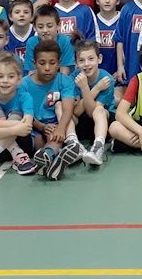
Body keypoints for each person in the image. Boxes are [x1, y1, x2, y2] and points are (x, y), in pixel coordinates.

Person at [25, 40, 83, 180]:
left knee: (55, 137)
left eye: (52, 63)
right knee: (38, 141)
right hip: (34, 125)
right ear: (34, 63)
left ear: (58, 63)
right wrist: (41, 126)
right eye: (42, 63)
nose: (47, 68)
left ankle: (49, 156)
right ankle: (52, 160)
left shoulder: (65, 81)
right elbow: (24, 112)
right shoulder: (24, 84)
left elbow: (67, 108)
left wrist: (61, 129)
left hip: (57, 122)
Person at [72, 39, 118, 166]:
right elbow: (76, 111)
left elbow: (92, 112)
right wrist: (95, 88)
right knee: (62, 108)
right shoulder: (75, 77)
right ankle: (74, 145)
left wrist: (85, 89)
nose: (86, 64)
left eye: (91, 59)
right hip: (82, 123)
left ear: (99, 59)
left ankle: (98, 147)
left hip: (103, 123)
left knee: (99, 110)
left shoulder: (107, 79)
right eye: (81, 60)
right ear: (76, 63)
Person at [23, 5, 76, 76]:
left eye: (49, 26)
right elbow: (31, 72)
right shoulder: (32, 42)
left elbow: (65, 73)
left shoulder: (65, 41)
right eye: (40, 27)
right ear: (34, 27)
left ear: (58, 25)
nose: (45, 30)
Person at [93, 0, 121, 79]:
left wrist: (122, 68)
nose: (107, 1)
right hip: (98, 75)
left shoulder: (123, 19)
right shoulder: (93, 20)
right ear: (97, 1)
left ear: (117, 1)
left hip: (119, 73)